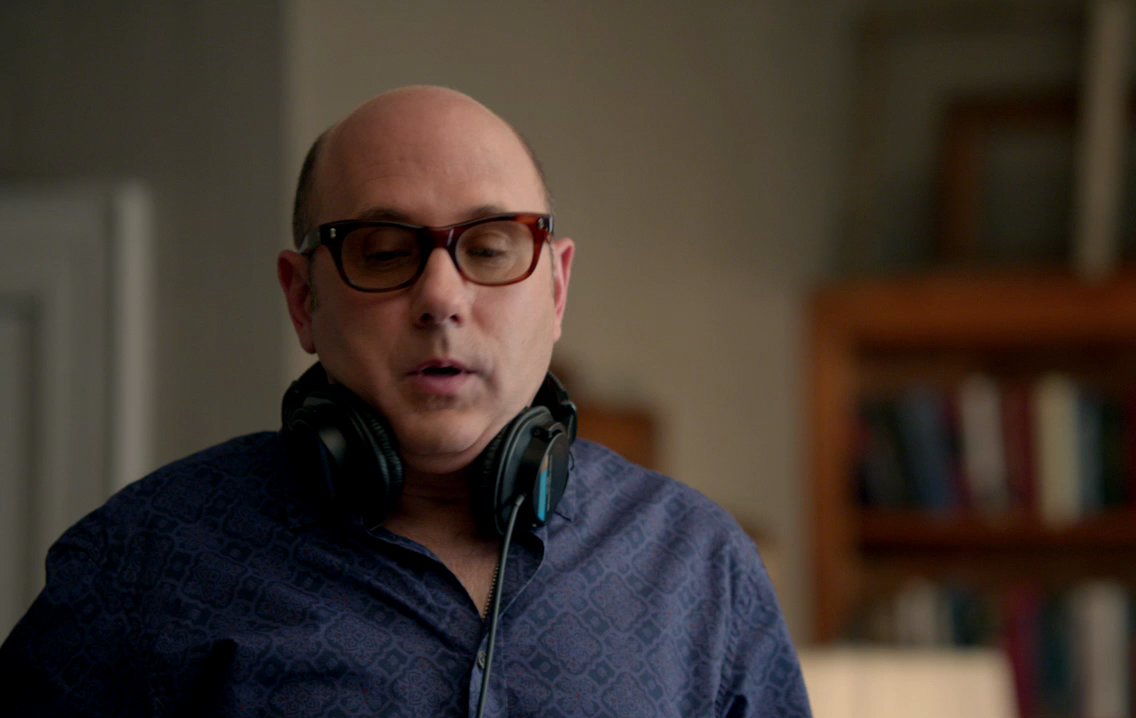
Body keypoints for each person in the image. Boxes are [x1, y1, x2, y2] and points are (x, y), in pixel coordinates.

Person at [0, 86, 812, 716]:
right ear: (303, 298)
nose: (441, 298)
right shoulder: (144, 563)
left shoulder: (701, 568)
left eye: (489, 248)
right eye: (385, 253)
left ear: (557, 287)